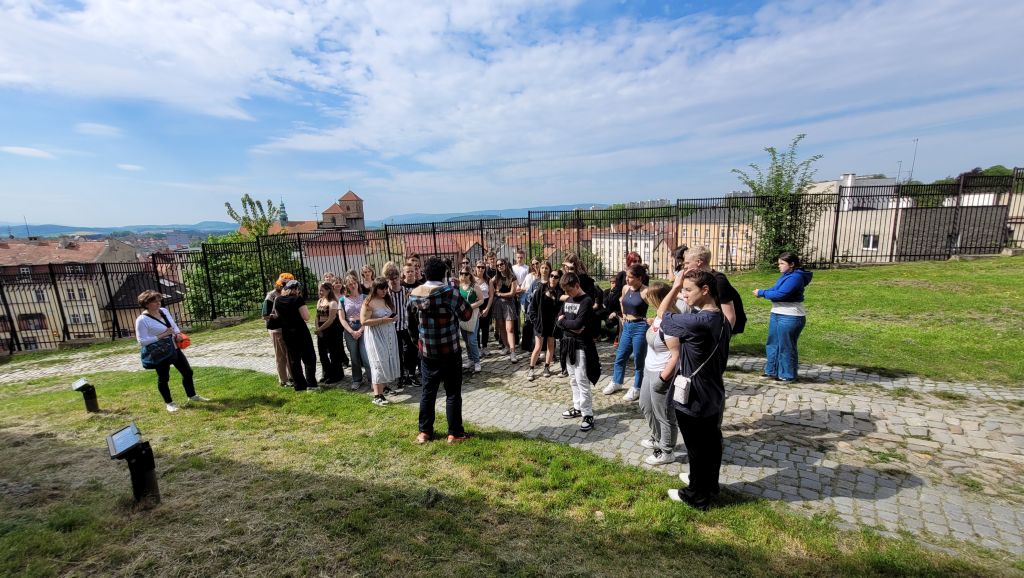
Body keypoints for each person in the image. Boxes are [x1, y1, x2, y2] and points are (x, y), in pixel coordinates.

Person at [656, 270, 731, 510]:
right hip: (714, 391)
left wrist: (674, 287)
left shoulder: (698, 322)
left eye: (688, 290)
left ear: (705, 290)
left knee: (696, 447)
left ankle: (696, 495)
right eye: (683, 290)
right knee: (711, 444)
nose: (684, 295)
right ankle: (709, 485)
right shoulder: (722, 318)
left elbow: (661, 314)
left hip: (695, 395)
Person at [408, 257, 474, 445]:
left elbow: (411, 324)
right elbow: (467, 314)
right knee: (452, 392)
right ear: (444, 274)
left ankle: (424, 432)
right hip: (450, 351)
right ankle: (455, 433)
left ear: (425, 273)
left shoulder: (414, 294)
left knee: (428, 392)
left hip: (427, 352)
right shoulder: (450, 294)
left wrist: (418, 343)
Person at [136, 290, 208, 412]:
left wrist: (177, 334)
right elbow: (141, 341)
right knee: (164, 378)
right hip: (159, 352)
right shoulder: (142, 320)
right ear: (146, 304)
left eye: (159, 300)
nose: (158, 303)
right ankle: (169, 403)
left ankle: (192, 396)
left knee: (187, 372)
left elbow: (173, 326)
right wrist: (162, 335)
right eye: (154, 301)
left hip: (174, 347)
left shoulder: (164, 311)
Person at [753, 251, 813, 382]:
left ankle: (787, 375)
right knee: (773, 344)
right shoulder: (785, 275)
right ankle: (771, 371)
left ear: (791, 264)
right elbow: (775, 290)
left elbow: (781, 294)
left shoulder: (796, 277)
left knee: (786, 346)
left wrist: (762, 293)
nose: (779, 266)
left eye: (782, 263)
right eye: (778, 263)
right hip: (777, 313)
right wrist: (765, 291)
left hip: (790, 316)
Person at [638, 282, 680, 465]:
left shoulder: (670, 323)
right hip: (649, 369)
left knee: (664, 413)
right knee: (645, 405)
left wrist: (663, 378)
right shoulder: (658, 316)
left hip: (662, 373)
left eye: (648, 297)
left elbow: (676, 355)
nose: (645, 299)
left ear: (657, 298)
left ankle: (667, 451)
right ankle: (657, 438)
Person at [556, 272, 600, 432]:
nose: (567, 294)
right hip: (568, 344)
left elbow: (579, 324)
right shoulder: (568, 299)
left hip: (581, 345)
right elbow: (559, 320)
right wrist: (569, 325)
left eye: (569, 290)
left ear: (577, 285)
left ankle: (588, 414)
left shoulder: (586, 301)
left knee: (582, 380)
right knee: (573, 379)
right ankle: (577, 407)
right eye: (565, 291)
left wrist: (565, 323)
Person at [603, 263, 650, 402]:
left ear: (639, 278)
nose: (627, 279)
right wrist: (623, 316)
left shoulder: (645, 291)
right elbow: (622, 301)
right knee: (620, 356)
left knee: (638, 360)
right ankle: (616, 382)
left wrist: (652, 320)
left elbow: (659, 305)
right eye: (626, 277)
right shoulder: (625, 288)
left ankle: (637, 387)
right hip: (627, 326)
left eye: (630, 277)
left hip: (640, 327)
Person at [682, 245, 746, 334]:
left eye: (687, 263)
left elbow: (730, 316)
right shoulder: (697, 279)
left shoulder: (718, 281)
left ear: (699, 262)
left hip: (723, 324)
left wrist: (723, 338)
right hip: (710, 318)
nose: (685, 266)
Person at [361, 277, 401, 405]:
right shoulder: (368, 302)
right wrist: (383, 320)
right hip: (375, 336)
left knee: (387, 360)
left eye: (385, 288)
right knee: (378, 362)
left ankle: (384, 387)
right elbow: (364, 321)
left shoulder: (386, 299)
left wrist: (392, 318)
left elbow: (387, 315)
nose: (384, 291)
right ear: (375, 289)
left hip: (388, 334)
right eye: (381, 289)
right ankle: (377, 395)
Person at [275, 279, 319, 391]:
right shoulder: (297, 299)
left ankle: (299, 384)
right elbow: (306, 317)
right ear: (295, 289)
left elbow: (278, 315)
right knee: (309, 357)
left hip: (287, 332)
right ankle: (311, 383)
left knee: (293, 359)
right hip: (300, 331)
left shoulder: (278, 300)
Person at [385, 262, 418, 387]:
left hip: (407, 326)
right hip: (393, 327)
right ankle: (400, 376)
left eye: (396, 278)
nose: (394, 281)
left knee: (411, 350)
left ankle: (411, 374)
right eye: (391, 279)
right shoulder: (386, 294)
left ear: (400, 277)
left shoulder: (407, 291)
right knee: (396, 352)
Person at [527, 262, 560, 381]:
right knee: (538, 346)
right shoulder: (539, 287)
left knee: (550, 345)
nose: (553, 278)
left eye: (556, 276)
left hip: (551, 322)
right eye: (552, 276)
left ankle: (547, 367)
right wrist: (535, 320)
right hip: (540, 322)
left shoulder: (558, 290)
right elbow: (532, 306)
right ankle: (531, 368)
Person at [339, 272, 371, 391]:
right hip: (350, 328)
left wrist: (361, 330)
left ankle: (372, 379)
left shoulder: (365, 297)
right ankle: (357, 379)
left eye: (354, 283)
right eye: (349, 284)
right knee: (354, 356)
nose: (352, 286)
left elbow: (369, 315)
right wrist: (352, 332)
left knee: (366, 355)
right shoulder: (343, 300)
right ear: (346, 286)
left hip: (364, 327)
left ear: (357, 283)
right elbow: (342, 318)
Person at [262, 273, 292, 386]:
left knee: (289, 354)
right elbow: (265, 315)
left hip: (288, 328)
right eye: (283, 284)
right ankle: (283, 380)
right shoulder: (271, 296)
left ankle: (292, 377)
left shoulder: (289, 294)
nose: (284, 286)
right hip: (276, 329)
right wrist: (278, 317)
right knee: (280, 355)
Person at [314, 282, 346, 386]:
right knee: (322, 353)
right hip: (321, 329)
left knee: (334, 353)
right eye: (319, 290)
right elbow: (317, 316)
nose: (320, 292)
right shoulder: (320, 301)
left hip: (332, 330)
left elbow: (331, 320)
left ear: (328, 290)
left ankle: (337, 375)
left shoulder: (333, 303)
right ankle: (326, 373)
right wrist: (318, 328)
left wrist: (320, 329)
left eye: (322, 290)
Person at [490, 258, 520, 362]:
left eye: (501, 264)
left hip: (508, 304)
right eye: (497, 265)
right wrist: (493, 291)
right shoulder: (496, 277)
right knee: (501, 327)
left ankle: (513, 352)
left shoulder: (512, 277)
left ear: (505, 264)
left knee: (510, 329)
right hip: (498, 304)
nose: (499, 266)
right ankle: (507, 347)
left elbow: (512, 293)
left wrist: (499, 294)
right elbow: (489, 282)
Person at [457, 267, 483, 373]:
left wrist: (470, 306)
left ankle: (477, 362)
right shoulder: (459, 286)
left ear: (470, 275)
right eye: (461, 273)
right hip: (462, 316)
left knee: (472, 340)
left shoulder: (475, 286)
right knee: (466, 340)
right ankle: (470, 359)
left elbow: (481, 300)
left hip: (473, 315)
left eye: (466, 273)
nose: (463, 275)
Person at [474, 259, 493, 352]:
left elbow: (491, 295)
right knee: (476, 327)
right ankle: (477, 347)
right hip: (476, 304)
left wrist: (487, 308)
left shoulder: (488, 280)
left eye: (483, 267)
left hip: (485, 304)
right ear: (475, 268)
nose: (480, 269)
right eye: (479, 267)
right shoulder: (472, 279)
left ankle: (484, 346)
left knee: (485, 327)